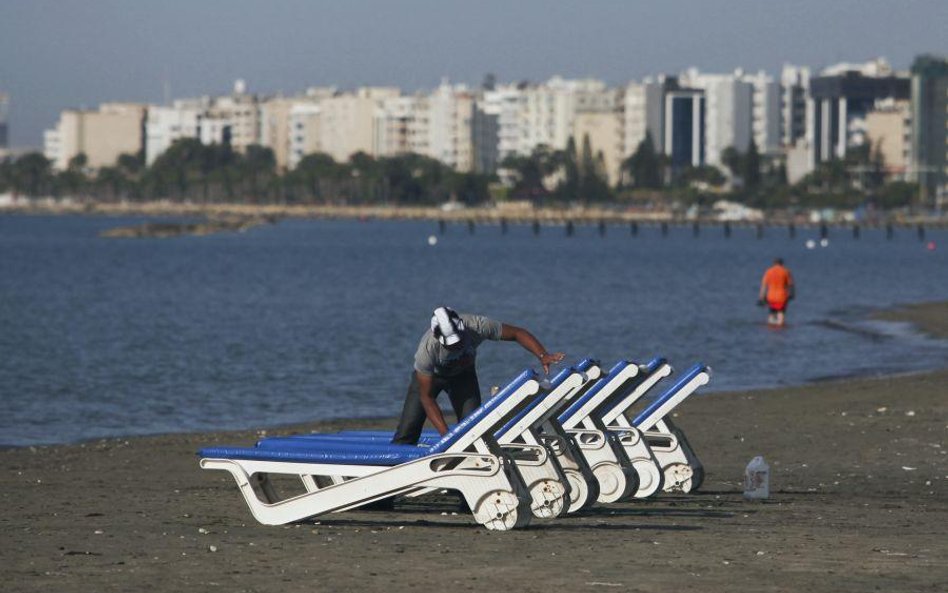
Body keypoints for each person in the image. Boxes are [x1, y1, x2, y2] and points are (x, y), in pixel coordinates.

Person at [391, 306, 565, 445]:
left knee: (472, 430)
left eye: (458, 340)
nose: (456, 346)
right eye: (451, 344)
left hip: (463, 377)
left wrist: (543, 355)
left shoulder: (477, 325)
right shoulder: (427, 349)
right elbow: (427, 398)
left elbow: (517, 333)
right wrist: (446, 437)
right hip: (430, 380)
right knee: (407, 431)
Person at [758, 258, 795, 327]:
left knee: (771, 312)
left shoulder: (768, 271)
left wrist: (761, 297)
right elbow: (791, 285)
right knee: (781, 313)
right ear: (782, 264)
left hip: (771, 296)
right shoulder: (785, 271)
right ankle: (780, 328)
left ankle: (770, 328)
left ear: (774, 263)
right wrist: (792, 294)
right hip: (782, 296)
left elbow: (764, 286)